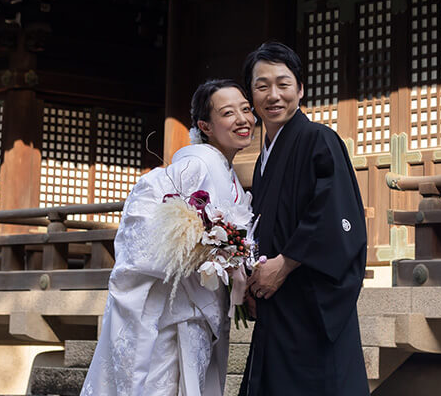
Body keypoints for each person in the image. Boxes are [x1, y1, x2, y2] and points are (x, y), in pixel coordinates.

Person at [81, 79, 255, 396]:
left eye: (246, 109)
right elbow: (145, 219)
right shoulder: (196, 164)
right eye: (229, 113)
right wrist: (197, 246)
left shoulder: (226, 174)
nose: (243, 119)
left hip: (201, 312)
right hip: (176, 314)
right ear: (205, 126)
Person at [239, 41, 368, 396]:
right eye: (262, 86)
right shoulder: (263, 159)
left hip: (309, 304)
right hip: (277, 302)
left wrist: (284, 264)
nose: (273, 95)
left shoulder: (318, 139)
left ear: (300, 90)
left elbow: (334, 214)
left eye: (283, 84)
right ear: (251, 95)